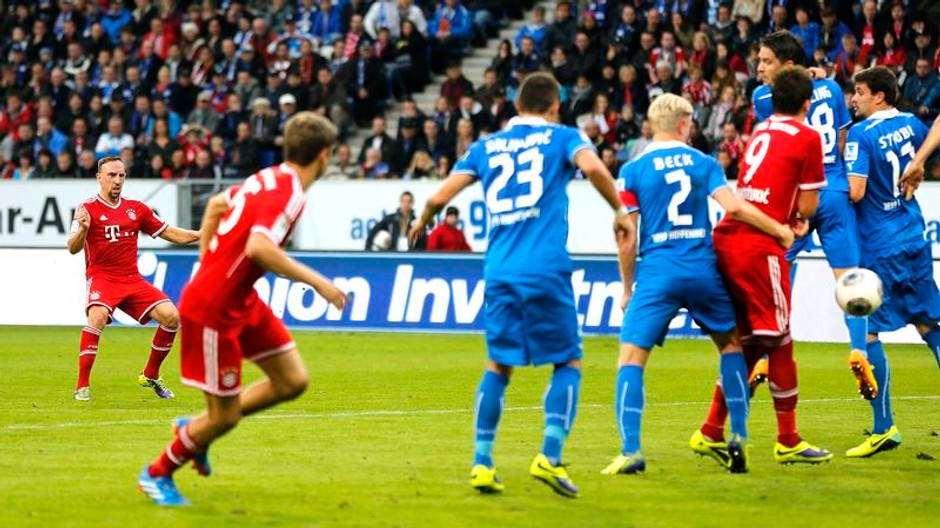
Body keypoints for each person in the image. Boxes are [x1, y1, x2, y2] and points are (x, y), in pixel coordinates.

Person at [408, 72, 631, 498]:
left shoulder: (486, 146)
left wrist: (422, 220)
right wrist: (619, 209)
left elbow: (440, 197)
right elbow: (594, 167)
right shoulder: (564, 137)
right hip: (545, 268)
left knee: (498, 365)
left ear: (516, 107)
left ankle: (482, 462)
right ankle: (549, 455)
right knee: (568, 362)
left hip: (500, 271)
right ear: (554, 107)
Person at [137, 112, 348, 506]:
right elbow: (259, 248)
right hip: (215, 307)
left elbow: (217, 205)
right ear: (323, 156)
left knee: (292, 381)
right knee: (225, 417)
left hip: (242, 299)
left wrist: (208, 260)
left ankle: (198, 429)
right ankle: (158, 471)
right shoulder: (290, 192)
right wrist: (319, 282)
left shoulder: (269, 177)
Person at [601, 93, 796, 476]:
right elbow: (736, 207)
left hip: (659, 270)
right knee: (731, 347)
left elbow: (626, 234)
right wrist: (778, 230)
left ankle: (630, 451)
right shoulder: (703, 162)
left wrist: (627, 288)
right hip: (704, 268)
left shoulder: (634, 170)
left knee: (631, 359)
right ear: (683, 125)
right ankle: (737, 438)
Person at [691, 66, 833, 466]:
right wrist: (798, 220)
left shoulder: (762, 127)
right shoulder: (808, 137)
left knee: (751, 342)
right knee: (781, 339)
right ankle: (788, 439)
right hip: (760, 247)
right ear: (807, 104)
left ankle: (710, 430)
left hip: (728, 239)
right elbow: (807, 207)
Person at [751, 31, 867, 396]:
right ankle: (859, 349)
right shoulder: (832, 89)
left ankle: (765, 355)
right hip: (833, 190)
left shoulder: (764, 97)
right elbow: (844, 137)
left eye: (766, 62)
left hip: (796, 198)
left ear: (786, 65)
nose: (759, 69)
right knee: (849, 280)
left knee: (775, 274)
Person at [843, 66, 940, 458]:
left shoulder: (862, 136)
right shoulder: (915, 125)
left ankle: (884, 427)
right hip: (913, 235)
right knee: (929, 324)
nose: (854, 99)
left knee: (867, 334)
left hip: (878, 245)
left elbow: (855, 191)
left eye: (860, 92)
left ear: (880, 96)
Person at [66, 157, 201, 401]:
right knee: (96, 317)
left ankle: (151, 374)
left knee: (172, 316)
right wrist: (84, 230)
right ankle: (82, 387)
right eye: (111, 175)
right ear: (99, 178)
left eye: (121, 175)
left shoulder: (136, 209)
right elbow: (72, 248)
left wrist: (202, 234)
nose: (117, 180)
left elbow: (171, 233)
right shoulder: (87, 209)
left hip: (131, 279)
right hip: (102, 278)